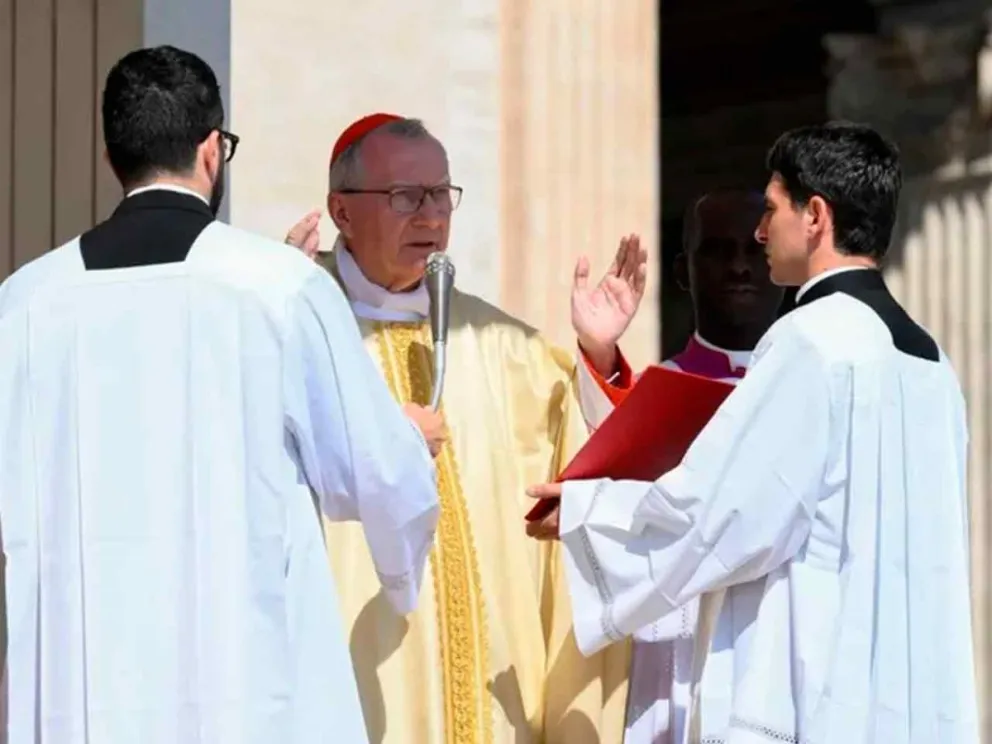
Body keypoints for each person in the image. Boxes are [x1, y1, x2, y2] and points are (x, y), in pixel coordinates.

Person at [0, 47, 440, 744]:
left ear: (116, 156)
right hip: (249, 693)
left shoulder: (23, 304)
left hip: (80, 694)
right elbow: (381, 473)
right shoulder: (280, 288)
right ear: (213, 152)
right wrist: (410, 467)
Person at [528, 122, 980, 743]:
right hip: (902, 694)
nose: (761, 233)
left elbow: (725, 511)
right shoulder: (930, 359)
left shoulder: (810, 340)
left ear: (815, 216)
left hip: (817, 691)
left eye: (771, 212)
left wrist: (588, 512)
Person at [283, 113, 645, 744]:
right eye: (404, 197)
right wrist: (273, 321)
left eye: (440, 195)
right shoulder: (302, 329)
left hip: (494, 694)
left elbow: (589, 467)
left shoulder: (502, 347)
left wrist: (599, 359)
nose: (430, 217)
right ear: (341, 210)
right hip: (355, 690)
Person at [574, 190, 783, 744]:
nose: (739, 265)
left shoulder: (810, 386)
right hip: (678, 654)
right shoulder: (650, 390)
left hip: (780, 640)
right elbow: (603, 472)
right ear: (682, 271)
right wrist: (599, 356)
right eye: (716, 251)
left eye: (754, 249)